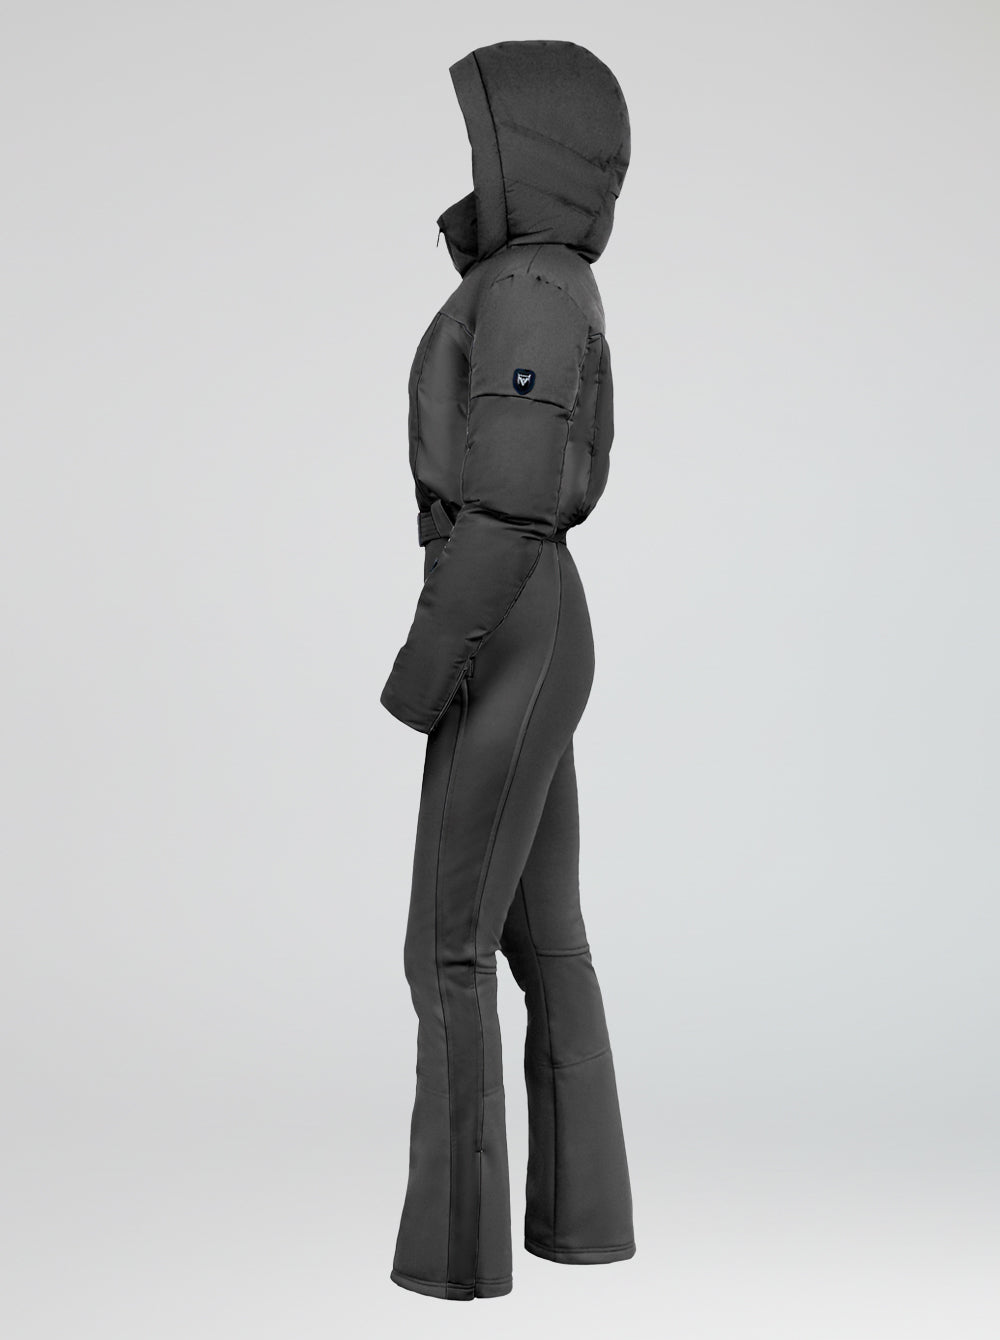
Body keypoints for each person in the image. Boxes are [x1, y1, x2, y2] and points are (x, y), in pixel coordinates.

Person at [379, 38, 635, 1301]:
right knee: (545, 935)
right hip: (531, 615)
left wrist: (425, 665)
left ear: (526, 151)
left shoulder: (529, 283)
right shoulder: (537, 274)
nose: (466, 163)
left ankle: (456, 1265)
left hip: (505, 613)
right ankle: (583, 1226)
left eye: (478, 137)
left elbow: (508, 502)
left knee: (448, 948)